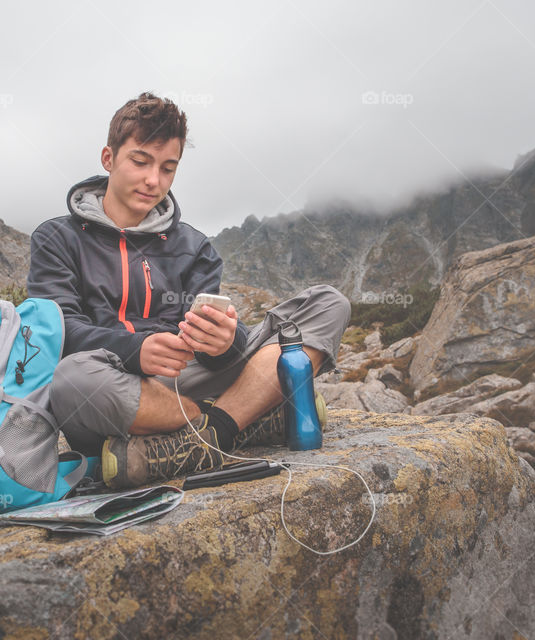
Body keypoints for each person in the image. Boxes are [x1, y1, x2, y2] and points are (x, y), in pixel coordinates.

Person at [27, 92, 350, 489]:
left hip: (185, 381)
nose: (153, 181)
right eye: (140, 161)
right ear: (109, 159)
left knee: (328, 304)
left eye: (167, 168)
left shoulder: (193, 245)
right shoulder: (57, 238)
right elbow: (57, 333)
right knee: (71, 377)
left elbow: (215, 353)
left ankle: (207, 437)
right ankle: (245, 420)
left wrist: (224, 343)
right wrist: (136, 352)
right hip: (116, 390)